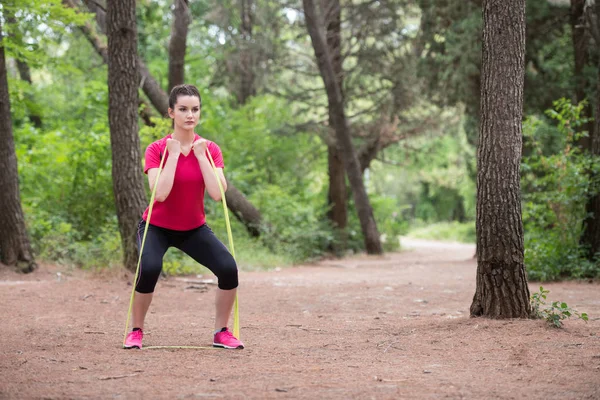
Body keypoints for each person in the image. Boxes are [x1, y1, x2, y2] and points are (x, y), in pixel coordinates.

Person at [124, 84, 243, 350]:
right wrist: (175, 155)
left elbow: (217, 193)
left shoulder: (210, 149)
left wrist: (201, 157)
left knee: (228, 268)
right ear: (171, 112)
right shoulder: (157, 149)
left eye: (195, 109)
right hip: (156, 226)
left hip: (193, 228)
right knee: (150, 268)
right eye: (183, 109)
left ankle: (221, 332)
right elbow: (160, 194)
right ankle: (135, 331)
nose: (190, 115)